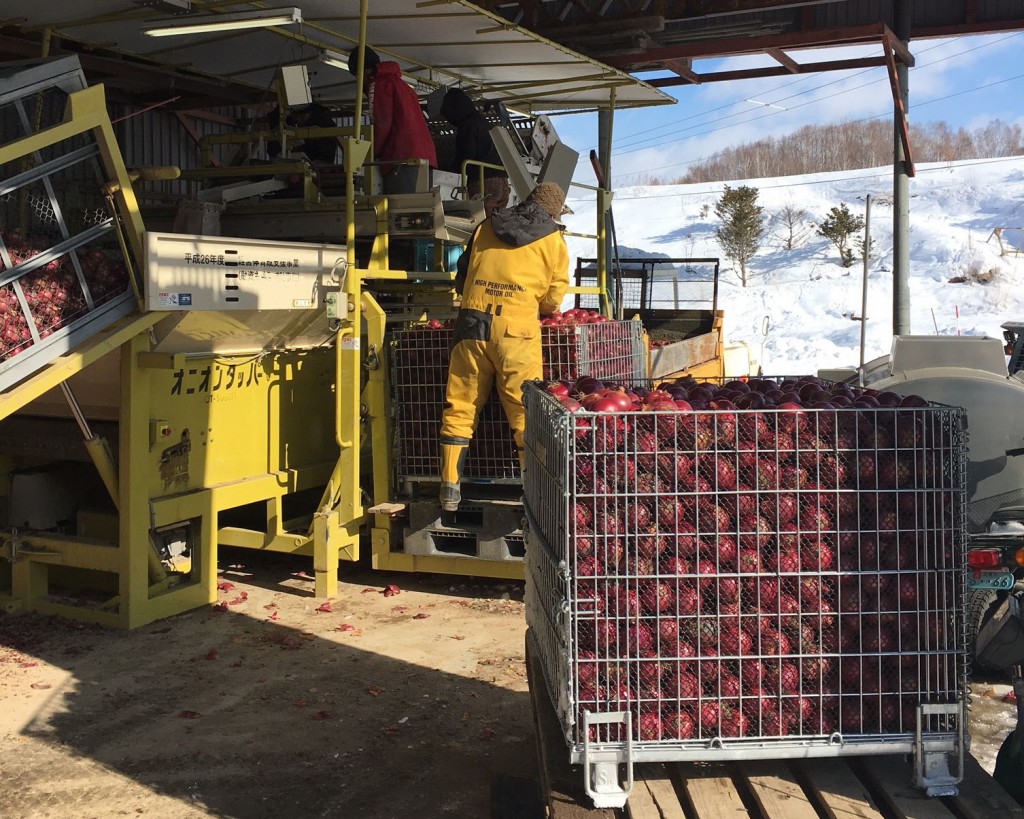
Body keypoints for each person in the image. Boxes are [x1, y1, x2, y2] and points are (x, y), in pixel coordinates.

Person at [438, 182, 570, 511]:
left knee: (460, 406)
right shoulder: (553, 240)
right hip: (515, 332)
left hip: (471, 324)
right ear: (553, 213)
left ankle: (449, 489)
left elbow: (463, 272)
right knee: (526, 416)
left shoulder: (487, 225)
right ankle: (535, 497)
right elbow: (553, 300)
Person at [348, 47, 437, 194]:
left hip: (401, 158)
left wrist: (368, 155)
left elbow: (381, 124)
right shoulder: (402, 85)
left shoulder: (378, 85)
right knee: (422, 208)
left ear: (362, 71)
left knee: (401, 212)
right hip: (424, 158)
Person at [439, 88, 510, 218]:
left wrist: (446, 167)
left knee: (480, 222)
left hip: (483, 180)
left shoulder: (468, 125)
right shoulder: (483, 122)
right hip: (502, 180)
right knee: (495, 225)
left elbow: (466, 155)